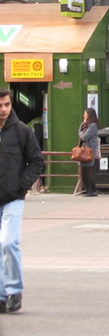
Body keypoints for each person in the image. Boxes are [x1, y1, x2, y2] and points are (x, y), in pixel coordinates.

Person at [0, 88, 44, 314]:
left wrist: (21, 185)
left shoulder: (21, 131)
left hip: (12, 198)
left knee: (8, 243)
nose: (4, 109)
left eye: (6, 105)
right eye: (0, 106)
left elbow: (36, 162)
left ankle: (15, 289)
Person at [78, 108, 101, 197]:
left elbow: (84, 137)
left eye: (85, 114)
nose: (84, 115)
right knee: (83, 170)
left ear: (89, 115)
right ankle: (87, 189)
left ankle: (92, 190)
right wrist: (83, 123)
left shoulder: (93, 126)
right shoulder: (85, 125)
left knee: (89, 169)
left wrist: (81, 135)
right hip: (82, 150)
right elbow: (79, 132)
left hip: (90, 150)